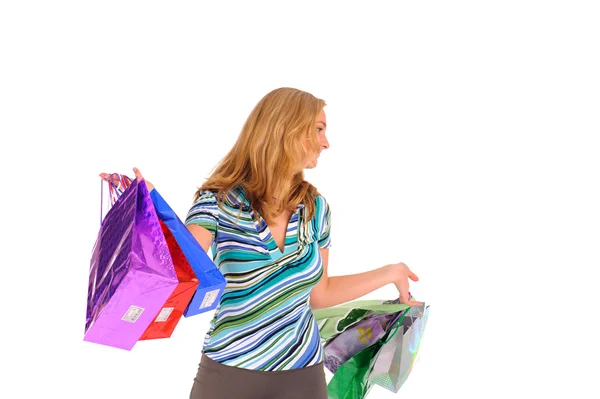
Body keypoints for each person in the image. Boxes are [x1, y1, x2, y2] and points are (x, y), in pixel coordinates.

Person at [101, 87, 421, 398]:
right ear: (287, 130)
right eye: (319, 129)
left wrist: (391, 272)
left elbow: (319, 294)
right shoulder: (217, 203)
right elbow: (182, 265)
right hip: (229, 374)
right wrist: (149, 209)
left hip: (303, 374)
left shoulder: (316, 208)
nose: (326, 143)